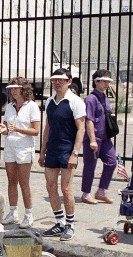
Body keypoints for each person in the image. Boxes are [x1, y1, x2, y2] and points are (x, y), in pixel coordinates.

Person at [39, 69, 86, 241]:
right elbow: (48, 127)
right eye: (54, 80)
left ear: (69, 81)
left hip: (67, 150)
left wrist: (75, 153)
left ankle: (70, 225)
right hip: (52, 150)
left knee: (66, 189)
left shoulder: (75, 102)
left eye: (61, 80)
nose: (57, 83)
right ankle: (59, 222)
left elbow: (81, 129)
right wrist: (42, 151)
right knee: (50, 186)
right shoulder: (50, 101)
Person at [0, 77, 41, 228]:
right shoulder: (9, 106)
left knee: (24, 183)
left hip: (24, 148)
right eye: (12, 88)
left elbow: (35, 131)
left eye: (16, 88)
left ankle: (28, 215)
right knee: (11, 181)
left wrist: (17, 129)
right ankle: (13, 212)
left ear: (24, 89)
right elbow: (6, 126)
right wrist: (3, 129)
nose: (14, 91)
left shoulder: (32, 106)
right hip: (10, 146)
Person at [81, 69, 117, 205]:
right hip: (94, 137)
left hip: (105, 137)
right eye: (104, 81)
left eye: (108, 81)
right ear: (96, 82)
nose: (107, 84)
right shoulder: (91, 99)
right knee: (90, 166)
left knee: (111, 161)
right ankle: (86, 193)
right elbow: (88, 120)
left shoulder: (104, 97)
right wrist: (92, 140)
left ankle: (101, 191)